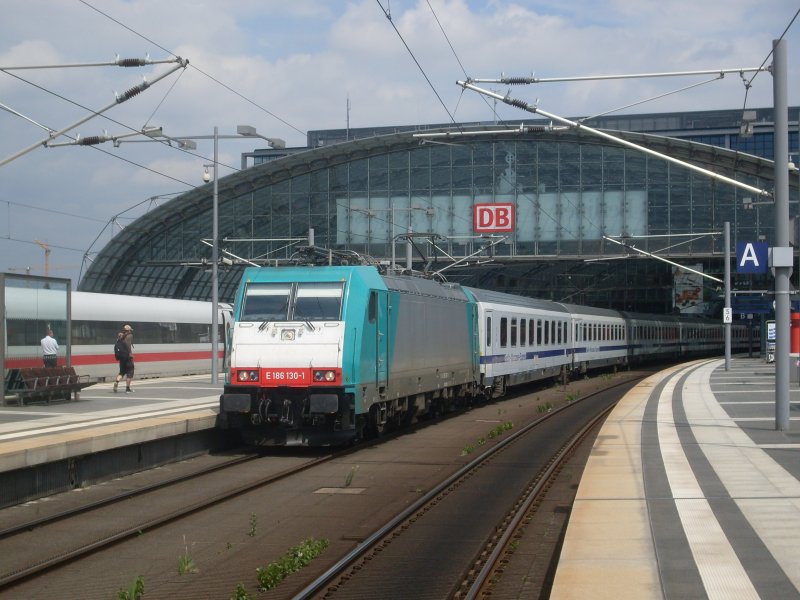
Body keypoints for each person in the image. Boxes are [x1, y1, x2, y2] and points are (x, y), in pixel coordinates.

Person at [113, 324, 135, 393]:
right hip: (128, 357)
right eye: (130, 330)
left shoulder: (119, 337)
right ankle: (127, 388)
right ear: (128, 330)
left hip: (122, 358)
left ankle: (117, 382)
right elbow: (129, 347)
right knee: (130, 372)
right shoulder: (130, 336)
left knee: (121, 372)